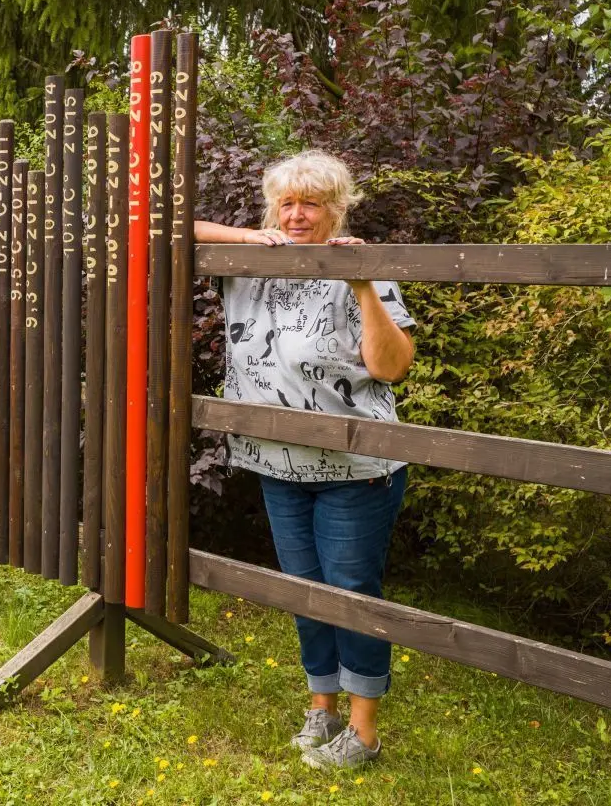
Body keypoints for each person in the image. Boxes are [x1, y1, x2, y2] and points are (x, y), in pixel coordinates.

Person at [194, 150, 416, 770]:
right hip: (276, 462)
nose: (297, 215)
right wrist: (247, 235)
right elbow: (161, 226)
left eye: (311, 203)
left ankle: (363, 730)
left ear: (336, 209)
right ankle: (321, 707)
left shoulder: (362, 266)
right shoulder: (246, 263)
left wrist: (361, 283)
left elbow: (391, 366)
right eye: (287, 202)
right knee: (305, 592)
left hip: (358, 469)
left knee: (350, 591)